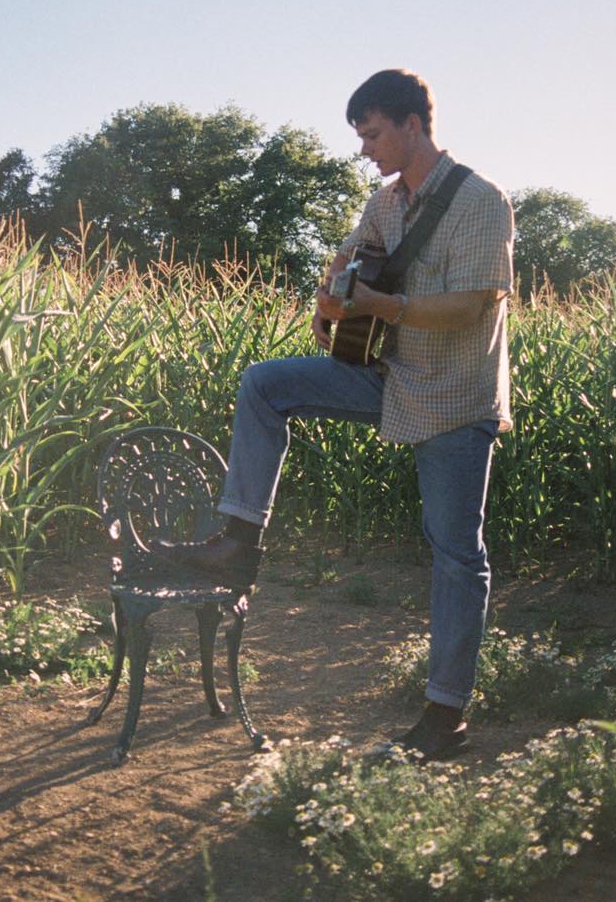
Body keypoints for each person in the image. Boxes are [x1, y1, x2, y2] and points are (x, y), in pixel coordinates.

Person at [160, 69, 515, 761]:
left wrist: (379, 309)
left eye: (374, 134)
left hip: (454, 398)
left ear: (413, 125)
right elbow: (348, 271)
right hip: (392, 377)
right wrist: (329, 309)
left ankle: (446, 715)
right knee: (265, 384)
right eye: (360, 137)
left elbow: (475, 304)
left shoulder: (481, 201)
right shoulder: (385, 206)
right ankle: (238, 540)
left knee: (455, 556)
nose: (365, 150)